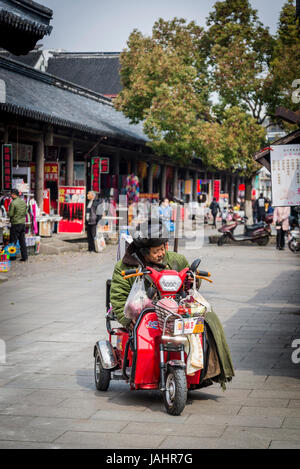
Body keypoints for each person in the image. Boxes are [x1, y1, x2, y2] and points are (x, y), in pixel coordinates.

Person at [110, 219, 235, 389]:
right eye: (156, 251)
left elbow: (190, 285)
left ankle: (204, 372)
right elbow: (118, 298)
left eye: (163, 248)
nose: (162, 253)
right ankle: (145, 374)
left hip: (176, 311)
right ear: (144, 252)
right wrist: (128, 320)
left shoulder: (177, 260)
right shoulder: (124, 266)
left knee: (207, 320)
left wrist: (192, 281)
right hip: (145, 315)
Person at [8, 189, 28, 262]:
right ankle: (24, 257)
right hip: (22, 224)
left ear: (13, 194)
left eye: (11, 194)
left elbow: (10, 214)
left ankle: (13, 257)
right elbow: (26, 212)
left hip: (15, 224)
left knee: (13, 241)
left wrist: (8, 213)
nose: (10, 196)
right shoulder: (23, 202)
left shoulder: (13, 203)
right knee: (22, 241)